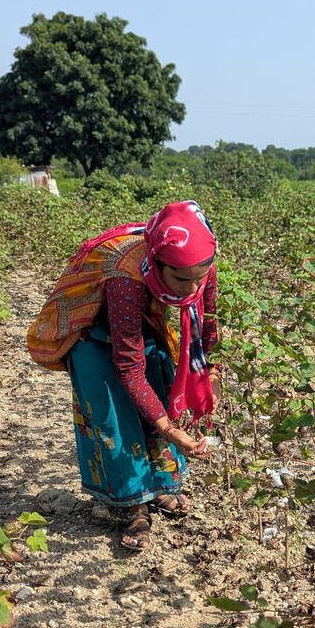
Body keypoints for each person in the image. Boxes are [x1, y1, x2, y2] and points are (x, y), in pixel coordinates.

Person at [51, 201, 221, 550]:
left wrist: (209, 378)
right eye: (180, 279)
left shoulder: (200, 261)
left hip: (142, 324)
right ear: (156, 263)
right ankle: (134, 508)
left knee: (158, 390)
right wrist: (172, 431)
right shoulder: (125, 277)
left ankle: (159, 489)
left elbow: (209, 323)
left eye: (198, 280)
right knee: (116, 417)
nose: (191, 290)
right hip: (93, 337)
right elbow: (128, 368)